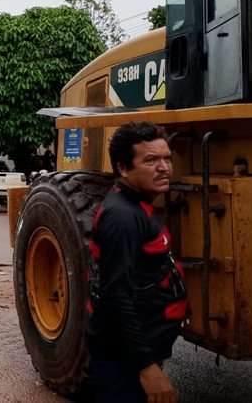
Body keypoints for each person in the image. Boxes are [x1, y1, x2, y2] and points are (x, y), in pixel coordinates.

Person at [86, 121, 186, 403]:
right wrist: (146, 367)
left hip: (130, 354)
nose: (164, 167)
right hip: (123, 359)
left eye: (167, 158)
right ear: (123, 168)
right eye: (151, 160)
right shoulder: (123, 217)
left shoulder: (138, 205)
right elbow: (117, 295)